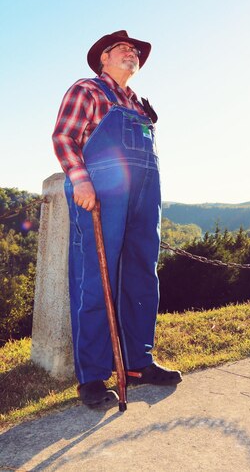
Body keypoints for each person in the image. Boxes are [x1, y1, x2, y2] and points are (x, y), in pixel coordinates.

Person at [52, 29, 181, 406]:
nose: (132, 52)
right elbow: (64, 138)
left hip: (143, 195)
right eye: (123, 48)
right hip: (101, 192)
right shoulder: (88, 90)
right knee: (97, 277)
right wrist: (81, 180)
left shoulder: (141, 106)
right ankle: (92, 377)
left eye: (135, 51)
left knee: (142, 274)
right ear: (103, 58)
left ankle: (138, 363)